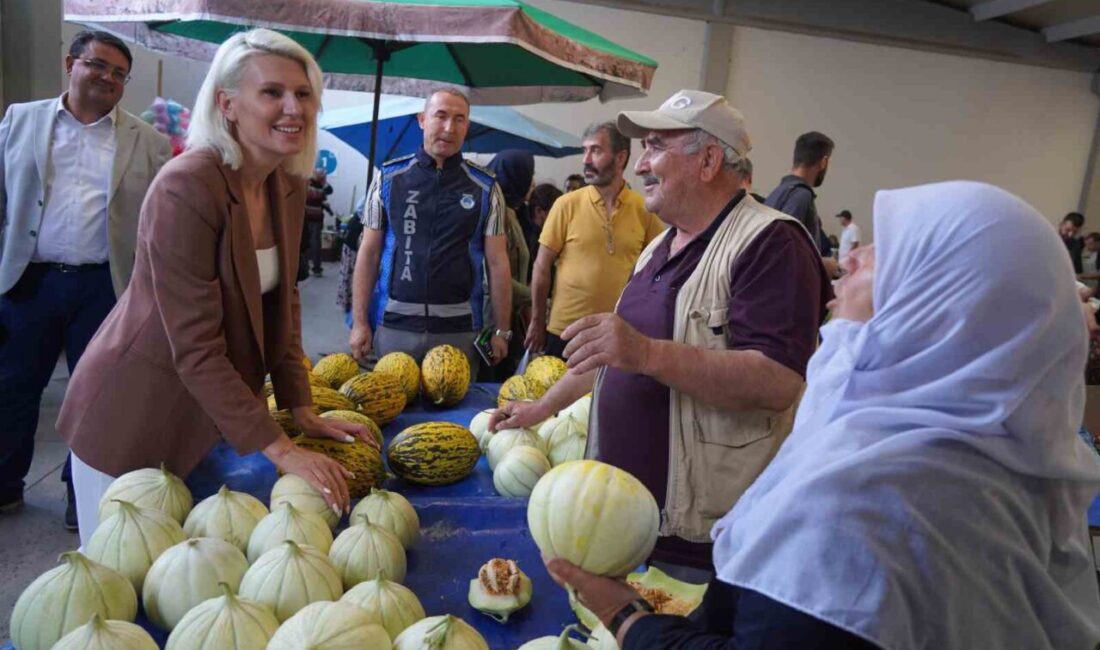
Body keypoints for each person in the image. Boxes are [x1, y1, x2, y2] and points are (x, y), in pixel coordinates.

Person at [547, 181, 1100, 650]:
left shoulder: (860, 508)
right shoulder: (996, 464)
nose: (850, 257)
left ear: (942, 310)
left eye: (893, 254)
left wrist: (626, 617)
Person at [55, 29, 377, 548]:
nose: (294, 106)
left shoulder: (287, 186)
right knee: (123, 583)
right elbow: (197, 348)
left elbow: (283, 304)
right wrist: (283, 450)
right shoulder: (186, 186)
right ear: (227, 104)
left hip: (212, 419)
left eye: (304, 92)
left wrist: (300, 407)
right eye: (272, 92)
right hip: (135, 413)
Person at [495, 90, 830, 577]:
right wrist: (544, 406)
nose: (641, 165)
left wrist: (647, 353)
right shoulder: (658, 248)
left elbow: (778, 381)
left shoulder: (771, 244)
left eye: (655, 148)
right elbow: (614, 357)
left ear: (710, 160)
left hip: (699, 540)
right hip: (620, 527)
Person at [0, 30, 172, 528]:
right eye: (98, 65)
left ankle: (84, 497)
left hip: (104, 286)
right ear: (70, 64)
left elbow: (155, 227)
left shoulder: (150, 143)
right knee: (12, 387)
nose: (108, 78)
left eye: (119, 74)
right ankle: (6, 484)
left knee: (98, 397)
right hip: (27, 282)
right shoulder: (20, 121)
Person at [348, 89, 512, 370]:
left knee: (453, 411)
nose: (450, 128)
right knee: (392, 406)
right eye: (441, 116)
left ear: (467, 127)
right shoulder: (389, 177)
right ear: (422, 119)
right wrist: (360, 322)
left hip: (460, 330)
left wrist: (501, 330)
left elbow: (498, 263)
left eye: (459, 119)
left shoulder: (486, 187)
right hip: (395, 326)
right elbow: (369, 252)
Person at [525, 122, 665, 358]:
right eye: (585, 150)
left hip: (616, 334)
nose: (586, 160)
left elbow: (657, 269)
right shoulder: (566, 205)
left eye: (596, 151)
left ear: (620, 158)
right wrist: (537, 320)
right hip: (564, 333)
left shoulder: (644, 209)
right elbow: (541, 266)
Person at [484, 150, 536, 378]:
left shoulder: (514, 213)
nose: (532, 182)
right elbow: (494, 272)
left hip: (512, 323)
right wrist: (539, 296)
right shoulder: (499, 214)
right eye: (529, 174)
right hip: (495, 324)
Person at [765, 131, 838, 275]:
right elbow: (784, 252)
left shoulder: (777, 193)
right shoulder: (800, 196)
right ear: (823, 162)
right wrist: (823, 265)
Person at [302, 167, 333, 278]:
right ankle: (308, 267)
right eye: (321, 175)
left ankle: (314, 268)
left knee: (313, 243)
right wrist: (321, 195)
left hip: (314, 218)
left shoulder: (319, 184)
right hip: (307, 218)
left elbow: (329, 190)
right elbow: (314, 195)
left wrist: (323, 182)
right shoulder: (307, 182)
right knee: (308, 243)